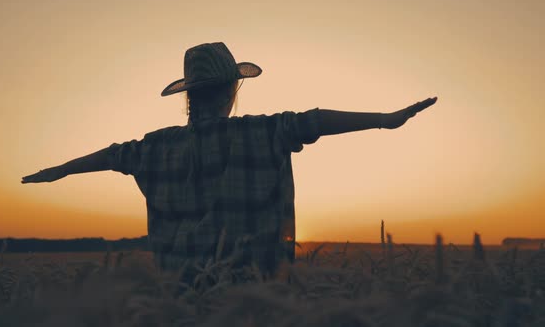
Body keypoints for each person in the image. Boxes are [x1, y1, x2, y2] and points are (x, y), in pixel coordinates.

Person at [22, 42, 437, 278]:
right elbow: (314, 121)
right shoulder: (260, 132)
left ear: (188, 95)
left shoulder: (153, 146)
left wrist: (58, 171)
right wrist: (386, 119)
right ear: (231, 91)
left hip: (179, 298)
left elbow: (110, 156)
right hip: (250, 299)